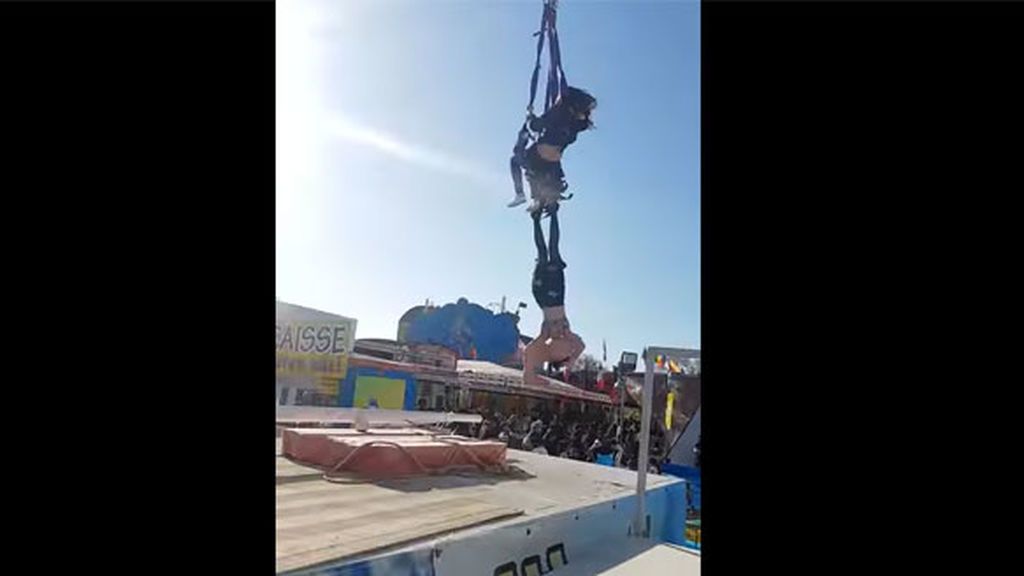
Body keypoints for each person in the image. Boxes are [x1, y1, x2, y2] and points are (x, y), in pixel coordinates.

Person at [522, 204, 585, 387]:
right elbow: (581, 345)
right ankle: (552, 214)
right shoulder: (567, 336)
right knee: (553, 251)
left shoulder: (545, 339)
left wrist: (544, 338)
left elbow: (530, 351)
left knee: (544, 254)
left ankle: (537, 218)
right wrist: (570, 363)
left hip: (545, 297)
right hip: (555, 297)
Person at [508, 87, 597, 212]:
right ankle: (539, 199)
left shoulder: (558, 112)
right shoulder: (578, 123)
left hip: (539, 155)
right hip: (553, 162)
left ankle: (520, 194)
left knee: (515, 159)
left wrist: (530, 116)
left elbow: (536, 126)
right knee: (535, 173)